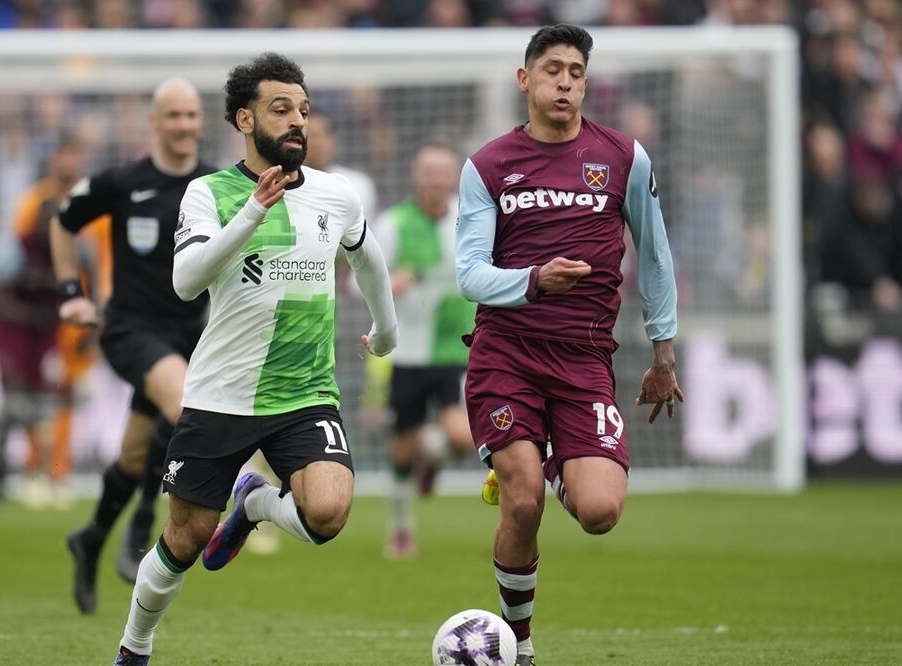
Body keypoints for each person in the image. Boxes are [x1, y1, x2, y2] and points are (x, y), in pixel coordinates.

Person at [113, 52, 397, 665]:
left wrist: (387, 331)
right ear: (244, 119)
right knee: (184, 540)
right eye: (280, 109)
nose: (297, 121)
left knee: (327, 512)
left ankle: (255, 503)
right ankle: (134, 648)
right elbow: (186, 281)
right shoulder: (207, 192)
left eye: (303, 110)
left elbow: (369, 262)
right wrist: (254, 209)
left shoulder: (335, 195)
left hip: (305, 393)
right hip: (220, 394)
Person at [455, 25, 682, 666]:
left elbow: (656, 256)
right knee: (521, 498)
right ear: (524, 80)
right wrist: (533, 280)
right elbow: (470, 273)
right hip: (507, 348)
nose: (565, 81)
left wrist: (664, 354)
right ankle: (518, 648)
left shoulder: (624, 158)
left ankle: (551, 458)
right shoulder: (489, 166)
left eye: (576, 71)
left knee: (600, 511)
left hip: (585, 359)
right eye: (552, 69)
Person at [53, 78, 216, 614]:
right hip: (130, 329)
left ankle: (93, 537)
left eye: (191, 115)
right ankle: (145, 521)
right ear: (154, 122)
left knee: (132, 453)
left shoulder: (215, 184)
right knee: (183, 404)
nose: (185, 125)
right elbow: (63, 221)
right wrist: (71, 292)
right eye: (174, 116)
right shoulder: (123, 181)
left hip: (190, 333)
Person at [375, 140, 475, 558]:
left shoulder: (470, 220)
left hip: (458, 349)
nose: (436, 180)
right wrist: (388, 285)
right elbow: (361, 280)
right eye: (428, 172)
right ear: (416, 176)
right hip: (409, 353)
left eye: (444, 172)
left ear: (454, 178)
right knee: (401, 448)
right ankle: (401, 528)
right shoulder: (393, 224)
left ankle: (431, 456)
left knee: (463, 439)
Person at [0, 134, 87, 506]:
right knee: (17, 401)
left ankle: (50, 473)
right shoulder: (17, 250)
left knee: (53, 400)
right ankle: (11, 465)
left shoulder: (78, 245)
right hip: (16, 331)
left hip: (55, 329)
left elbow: (93, 268)